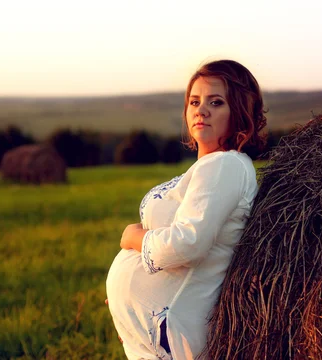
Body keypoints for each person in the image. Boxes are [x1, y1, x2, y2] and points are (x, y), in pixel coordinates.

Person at [105, 59, 267, 359]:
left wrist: (132, 237)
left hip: (173, 331)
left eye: (216, 102)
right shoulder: (210, 167)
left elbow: (189, 242)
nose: (201, 110)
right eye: (195, 101)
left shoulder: (225, 164)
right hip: (157, 331)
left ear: (239, 112)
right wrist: (127, 304)